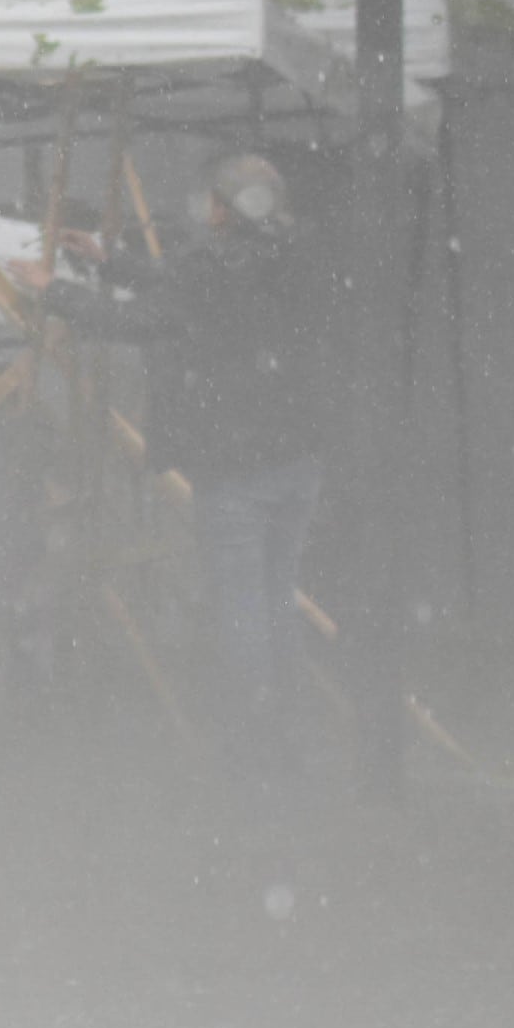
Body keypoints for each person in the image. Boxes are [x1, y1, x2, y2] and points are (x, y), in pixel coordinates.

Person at [28, 152, 330, 771]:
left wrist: (49, 290)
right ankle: (291, 730)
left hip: (235, 466)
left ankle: (255, 742)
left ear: (222, 209)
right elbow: (182, 287)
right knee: (274, 598)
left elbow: (135, 320)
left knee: (243, 604)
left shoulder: (211, 271)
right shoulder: (288, 257)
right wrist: (109, 261)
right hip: (295, 460)